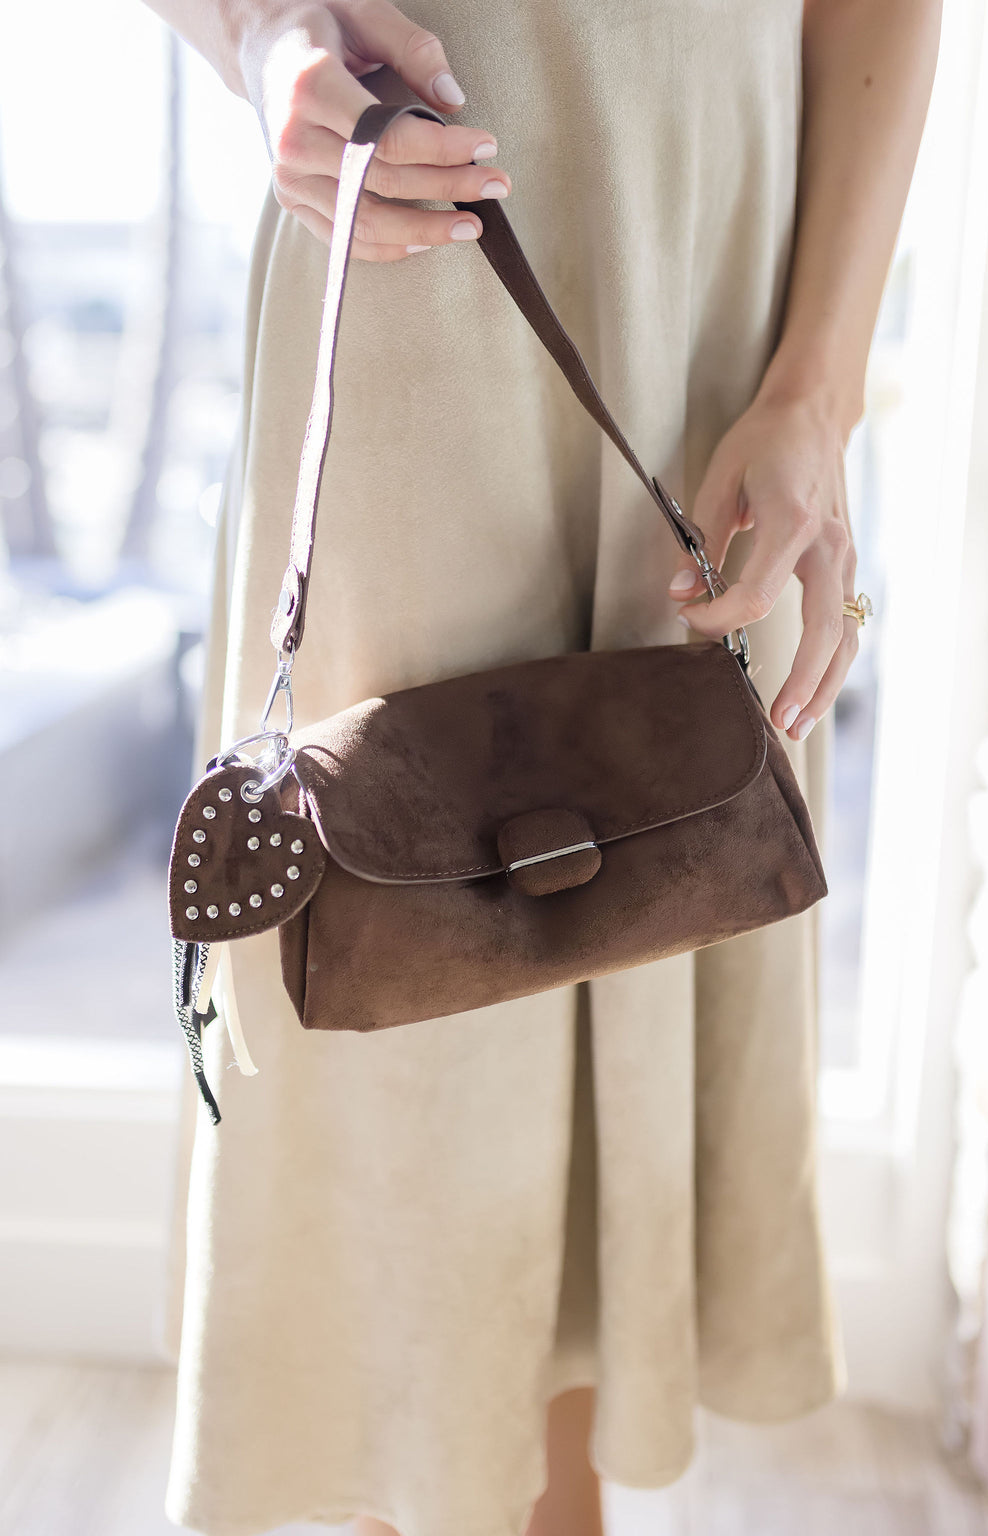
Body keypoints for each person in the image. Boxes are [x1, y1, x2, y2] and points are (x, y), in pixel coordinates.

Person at [149, 2, 942, 1534]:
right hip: (397, 266)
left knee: (648, 912)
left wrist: (820, 386)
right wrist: (256, 38)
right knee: (409, 1045)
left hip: (717, 285)